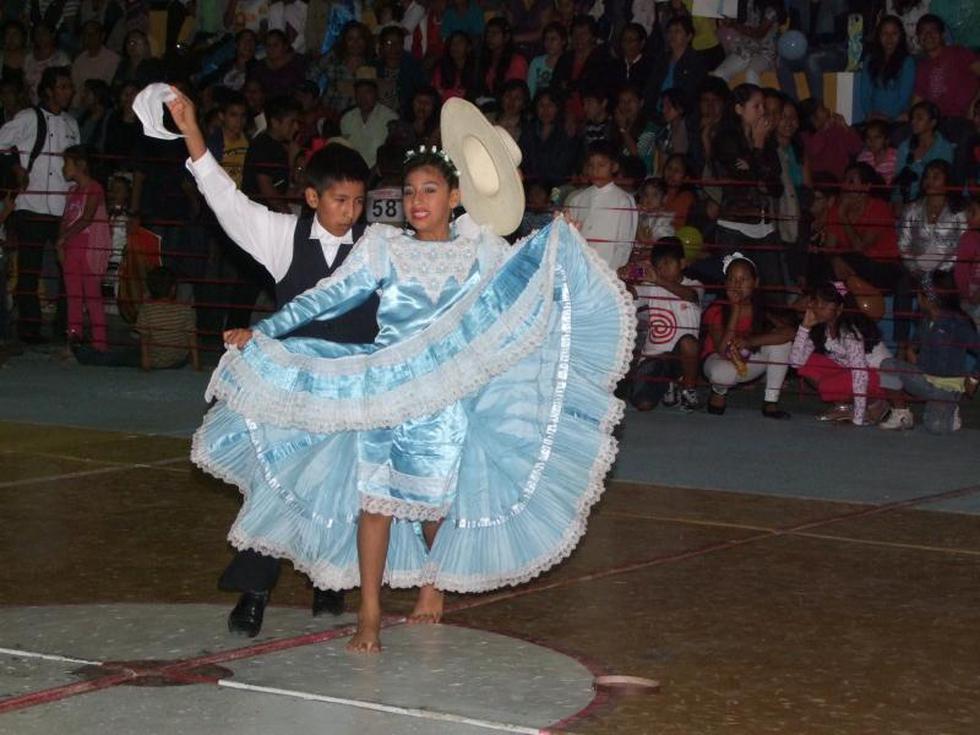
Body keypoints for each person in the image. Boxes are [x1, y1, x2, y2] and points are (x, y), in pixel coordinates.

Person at [175, 91, 635, 653]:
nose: (418, 201)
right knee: (374, 502)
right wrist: (264, 332)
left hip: (446, 398)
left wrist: (554, 239)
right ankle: (367, 612)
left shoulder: (481, 251)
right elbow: (323, 298)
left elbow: (523, 283)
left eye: (431, 191)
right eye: (411, 191)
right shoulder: (384, 248)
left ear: (456, 197)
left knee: (435, 503)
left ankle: (431, 586)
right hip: (383, 388)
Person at [165, 88, 380, 636]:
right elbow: (225, 199)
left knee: (341, 487)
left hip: (354, 386)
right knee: (277, 482)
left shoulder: (380, 246)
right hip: (291, 383)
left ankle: (329, 581)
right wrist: (192, 131)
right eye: (340, 202)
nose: (350, 213)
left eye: (358, 203)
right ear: (312, 198)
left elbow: (444, 264)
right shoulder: (284, 236)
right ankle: (255, 591)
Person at [0, 65, 80, 343]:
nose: (68, 92)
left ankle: (64, 328)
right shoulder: (27, 118)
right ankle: (30, 329)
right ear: (48, 91)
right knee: (29, 272)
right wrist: (14, 166)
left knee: (65, 273)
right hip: (30, 204)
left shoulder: (72, 124)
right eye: (63, 87)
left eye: (69, 87)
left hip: (62, 208)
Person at [880, 271, 978, 433]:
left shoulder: (957, 324)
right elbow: (915, 343)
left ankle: (951, 408)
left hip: (946, 387)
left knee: (936, 428)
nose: (917, 298)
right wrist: (912, 354)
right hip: (924, 378)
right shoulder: (925, 320)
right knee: (888, 365)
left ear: (930, 299)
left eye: (919, 294)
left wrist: (973, 378)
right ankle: (901, 413)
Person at [702, 253, 794, 419]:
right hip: (721, 362)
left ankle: (771, 401)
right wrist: (735, 309)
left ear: (755, 283)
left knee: (782, 343)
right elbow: (721, 350)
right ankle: (718, 392)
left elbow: (789, 332)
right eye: (732, 279)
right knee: (722, 372)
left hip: (747, 362)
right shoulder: (717, 309)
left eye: (743, 279)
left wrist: (750, 341)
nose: (737, 284)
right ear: (725, 283)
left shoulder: (760, 308)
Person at [791, 281, 895, 425]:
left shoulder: (849, 334)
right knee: (807, 364)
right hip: (852, 373)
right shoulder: (823, 327)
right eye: (816, 303)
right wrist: (805, 327)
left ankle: (873, 404)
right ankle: (844, 406)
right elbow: (796, 362)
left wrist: (858, 420)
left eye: (825, 305)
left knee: (828, 385)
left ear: (839, 309)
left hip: (880, 378)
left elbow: (860, 375)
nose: (817, 309)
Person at [626, 238, 702, 412]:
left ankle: (688, 390)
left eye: (667, 263)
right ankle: (668, 384)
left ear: (683, 263)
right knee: (643, 405)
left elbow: (690, 296)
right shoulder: (651, 286)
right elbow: (632, 293)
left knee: (688, 343)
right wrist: (623, 276)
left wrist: (658, 280)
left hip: (680, 357)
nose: (662, 269)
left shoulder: (694, 285)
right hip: (654, 358)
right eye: (658, 265)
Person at [57, 144, 110, 351]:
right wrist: (61, 242)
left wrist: (63, 238)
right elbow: (66, 219)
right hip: (71, 247)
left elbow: (87, 218)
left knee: (92, 295)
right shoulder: (72, 192)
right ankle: (74, 338)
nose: (63, 168)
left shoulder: (94, 188)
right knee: (73, 296)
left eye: (66, 163)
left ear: (80, 164)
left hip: (87, 248)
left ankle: (99, 342)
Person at [564, 140, 638, 271]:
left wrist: (611, 273)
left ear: (614, 167)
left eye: (601, 165)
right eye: (591, 165)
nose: (595, 170)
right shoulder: (578, 199)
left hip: (607, 270)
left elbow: (624, 244)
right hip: (579, 267)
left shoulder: (624, 200)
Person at [136, 266, 200, 371]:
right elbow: (192, 339)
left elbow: (144, 339)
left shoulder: (146, 309)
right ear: (173, 288)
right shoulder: (186, 309)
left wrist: (146, 365)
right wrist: (197, 367)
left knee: (127, 354)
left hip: (155, 362)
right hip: (180, 361)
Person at [854, 15, 915, 126]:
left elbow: (904, 96)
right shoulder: (870, 60)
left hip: (898, 118)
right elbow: (865, 93)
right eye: (885, 33)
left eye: (894, 33)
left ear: (900, 36)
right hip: (874, 118)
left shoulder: (907, 62)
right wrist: (870, 114)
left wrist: (890, 118)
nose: (889, 38)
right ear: (879, 36)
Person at [643, 15, 705, 120]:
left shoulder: (696, 62)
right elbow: (651, 87)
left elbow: (694, 94)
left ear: (689, 36)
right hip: (657, 113)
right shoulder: (662, 59)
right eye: (670, 31)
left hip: (681, 116)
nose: (672, 35)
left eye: (677, 31)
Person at [893, 101, 954, 204]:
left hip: (932, 200)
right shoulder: (905, 146)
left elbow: (941, 181)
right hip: (904, 200)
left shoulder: (944, 148)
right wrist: (897, 201)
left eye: (919, 118)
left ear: (932, 123)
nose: (913, 122)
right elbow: (899, 180)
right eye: (913, 118)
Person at [712, 0, 782, 87]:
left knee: (751, 73)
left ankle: (755, 99)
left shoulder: (772, 9)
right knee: (718, 75)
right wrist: (728, 20)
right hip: (746, 48)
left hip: (765, 51)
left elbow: (759, 33)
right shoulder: (749, 3)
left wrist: (734, 24)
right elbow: (740, 21)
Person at [340, 66, 398, 169]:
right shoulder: (347, 119)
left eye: (368, 92)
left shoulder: (390, 118)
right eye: (359, 92)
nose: (363, 97)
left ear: (376, 93)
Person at [519, 88, 579, 184]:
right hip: (531, 184)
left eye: (550, 105)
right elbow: (523, 160)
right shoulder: (529, 131)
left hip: (558, 186)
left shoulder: (567, 131)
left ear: (558, 108)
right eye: (541, 105)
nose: (545, 110)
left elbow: (566, 165)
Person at [799, 99, 863, 182]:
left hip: (841, 180)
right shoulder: (804, 135)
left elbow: (856, 148)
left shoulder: (836, 128)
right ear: (812, 117)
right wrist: (823, 131)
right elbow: (813, 151)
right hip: (819, 182)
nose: (828, 110)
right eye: (822, 109)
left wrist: (845, 127)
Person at [71, 20, 120, 110]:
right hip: (81, 106)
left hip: (103, 106)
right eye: (86, 34)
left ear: (102, 36)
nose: (89, 37)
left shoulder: (113, 59)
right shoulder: (79, 60)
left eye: (93, 34)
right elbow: (76, 88)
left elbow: (108, 88)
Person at [955, 195, 980, 327]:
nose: (968, 215)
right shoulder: (969, 238)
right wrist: (966, 295)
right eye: (968, 211)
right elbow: (961, 271)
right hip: (970, 294)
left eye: (973, 212)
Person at [432, 30, 477, 101]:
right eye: (452, 43)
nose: (455, 46)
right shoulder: (441, 68)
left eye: (460, 42)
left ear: (469, 47)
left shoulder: (477, 68)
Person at [526, 21, 565, 99]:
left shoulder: (568, 62)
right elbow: (530, 90)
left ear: (563, 41)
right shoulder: (536, 62)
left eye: (553, 39)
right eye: (546, 39)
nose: (549, 43)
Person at [856, 120, 897, 187]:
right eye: (868, 137)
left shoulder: (896, 156)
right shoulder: (863, 157)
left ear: (886, 140)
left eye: (877, 137)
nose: (872, 141)